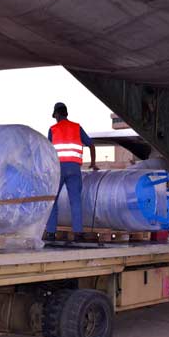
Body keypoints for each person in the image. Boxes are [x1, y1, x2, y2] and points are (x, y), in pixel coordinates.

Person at [44, 102, 98, 241]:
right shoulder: (76, 127)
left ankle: (50, 233)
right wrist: (93, 163)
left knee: (53, 200)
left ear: (56, 114)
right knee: (75, 200)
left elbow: (49, 151)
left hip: (58, 169)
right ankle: (78, 233)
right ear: (66, 113)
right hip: (74, 168)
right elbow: (91, 145)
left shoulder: (53, 129)